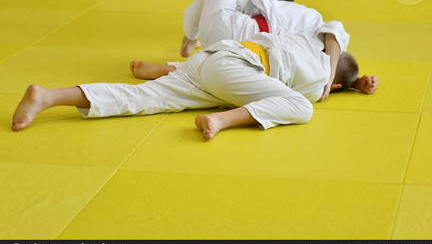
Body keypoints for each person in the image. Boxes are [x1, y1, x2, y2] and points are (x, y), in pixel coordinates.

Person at [11, 32, 377, 140]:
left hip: (213, 63)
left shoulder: (307, 40)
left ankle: (48, 96)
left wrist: (356, 81)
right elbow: (336, 44)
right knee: (303, 108)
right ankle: (222, 121)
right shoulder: (319, 76)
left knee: (143, 99)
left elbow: (335, 35)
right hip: (237, 69)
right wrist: (347, 84)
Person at [177, 0, 372, 101]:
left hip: (234, 30)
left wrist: (331, 81)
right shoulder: (312, 70)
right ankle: (192, 38)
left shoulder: (322, 45)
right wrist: (354, 83)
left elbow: (334, 33)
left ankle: (191, 36)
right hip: (236, 56)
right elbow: (336, 54)